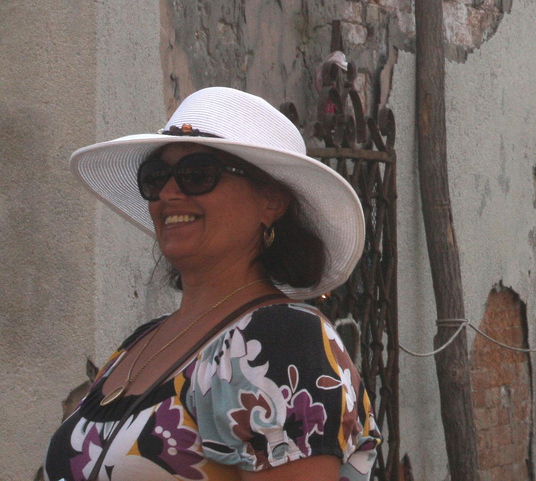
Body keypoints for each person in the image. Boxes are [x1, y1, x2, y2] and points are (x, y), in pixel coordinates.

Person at [45, 87, 379, 481]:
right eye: (155, 178)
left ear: (271, 201)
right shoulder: (139, 344)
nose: (168, 194)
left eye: (197, 175)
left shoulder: (281, 341)